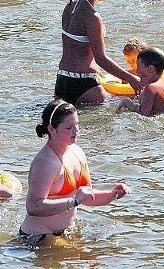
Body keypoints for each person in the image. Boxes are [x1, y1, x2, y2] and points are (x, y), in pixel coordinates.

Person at [20, 99, 131, 238]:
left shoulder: (77, 152)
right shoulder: (45, 162)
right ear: (52, 129)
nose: (76, 130)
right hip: (37, 239)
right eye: (69, 127)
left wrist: (112, 194)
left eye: (77, 124)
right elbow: (33, 207)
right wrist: (73, 201)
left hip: (65, 234)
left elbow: (86, 197)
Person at [55, 0, 141, 104]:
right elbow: (101, 58)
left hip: (62, 81)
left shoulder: (69, 7)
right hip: (84, 83)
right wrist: (131, 78)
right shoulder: (92, 16)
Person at [116, 47, 164, 116]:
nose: (137, 71)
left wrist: (127, 103)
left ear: (151, 68)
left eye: (138, 65)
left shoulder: (151, 87)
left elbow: (143, 113)